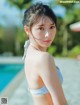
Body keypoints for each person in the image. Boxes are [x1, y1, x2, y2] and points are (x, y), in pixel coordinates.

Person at [22, 2, 67, 105]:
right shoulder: (43, 58)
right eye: (41, 28)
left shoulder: (28, 50)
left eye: (51, 27)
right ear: (27, 30)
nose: (48, 35)